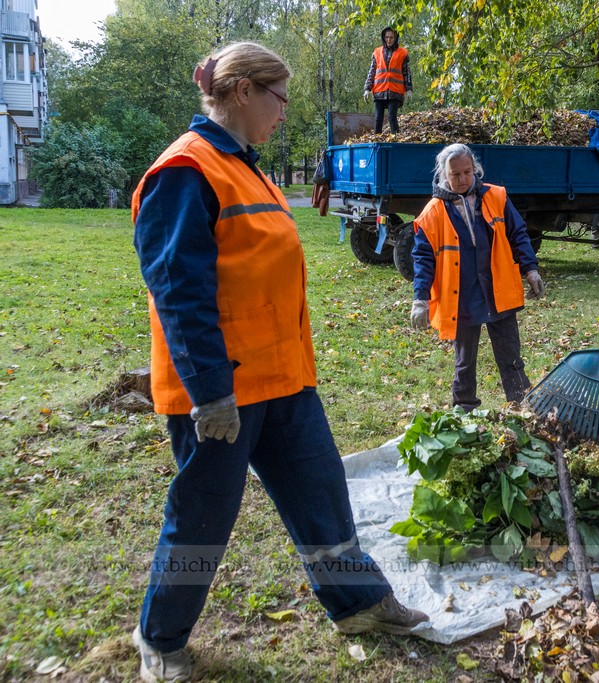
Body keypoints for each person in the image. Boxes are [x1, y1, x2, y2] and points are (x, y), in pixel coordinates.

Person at [131, 42, 427, 682]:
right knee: (204, 516)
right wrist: (210, 391)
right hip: (220, 393)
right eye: (280, 99)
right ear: (243, 91)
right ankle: (160, 637)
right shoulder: (185, 170)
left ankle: (359, 604)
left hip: (284, 379)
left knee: (321, 494)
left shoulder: (249, 169)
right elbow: (178, 290)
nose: (284, 112)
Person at [411, 143, 546, 411]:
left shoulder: (496, 196)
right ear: (443, 174)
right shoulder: (432, 213)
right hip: (460, 297)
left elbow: (518, 234)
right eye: (455, 174)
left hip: (498, 291)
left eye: (467, 172)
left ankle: (522, 406)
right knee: (464, 362)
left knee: (510, 355)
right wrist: (420, 300)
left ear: (475, 169)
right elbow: (423, 260)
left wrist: (530, 269)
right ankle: (464, 410)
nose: (462, 179)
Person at [363, 26, 412, 134]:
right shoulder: (377, 52)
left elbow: (407, 72)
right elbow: (372, 72)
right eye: (387, 37)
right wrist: (367, 88)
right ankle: (377, 140)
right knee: (378, 118)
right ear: (383, 38)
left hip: (395, 91)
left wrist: (408, 89)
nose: (389, 40)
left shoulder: (403, 53)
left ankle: (396, 140)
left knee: (392, 117)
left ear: (395, 38)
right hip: (379, 90)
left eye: (391, 37)